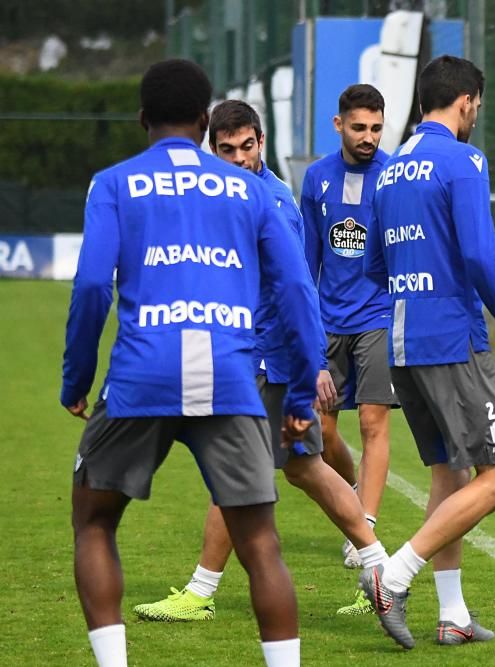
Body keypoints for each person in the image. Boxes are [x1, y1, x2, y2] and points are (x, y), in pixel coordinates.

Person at [62, 60, 323, 667]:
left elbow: (93, 286)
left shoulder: (114, 183)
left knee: (94, 523)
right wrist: (305, 397)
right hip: (234, 378)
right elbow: (296, 292)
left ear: (143, 120)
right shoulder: (252, 190)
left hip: (139, 378)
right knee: (261, 545)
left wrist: (76, 380)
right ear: (206, 123)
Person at [131, 99, 389, 624]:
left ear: (261, 143)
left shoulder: (269, 200)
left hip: (270, 360)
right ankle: (384, 572)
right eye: (227, 150)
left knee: (236, 471)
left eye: (247, 147)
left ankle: (200, 593)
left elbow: (296, 286)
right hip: (250, 355)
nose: (239, 158)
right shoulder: (222, 194)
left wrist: (311, 361)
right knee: (304, 468)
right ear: (213, 148)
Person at [360, 55, 495, 649]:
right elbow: (482, 259)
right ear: (465, 102)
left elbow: (373, 266)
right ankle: (394, 575)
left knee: (451, 475)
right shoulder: (463, 161)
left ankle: (452, 614)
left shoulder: (386, 172)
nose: (475, 116)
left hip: (402, 340)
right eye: (477, 107)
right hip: (453, 340)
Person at [300, 85, 396, 612]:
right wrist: (308, 326)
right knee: (325, 431)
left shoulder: (393, 175)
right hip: (327, 319)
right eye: (359, 128)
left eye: (376, 128)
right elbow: (306, 258)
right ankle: (356, 492)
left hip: (379, 315)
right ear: (339, 125)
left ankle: (366, 527)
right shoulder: (316, 179)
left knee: (374, 422)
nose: (368, 138)